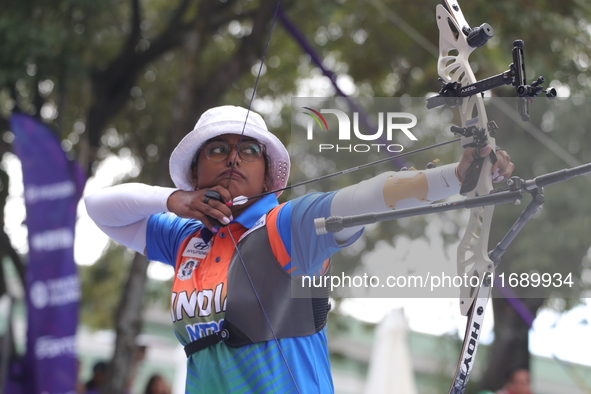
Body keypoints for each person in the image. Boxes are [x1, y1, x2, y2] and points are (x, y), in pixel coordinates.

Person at [85, 105, 514, 393]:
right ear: (195, 171)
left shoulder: (286, 226)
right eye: (218, 149)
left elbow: (368, 197)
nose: (234, 159)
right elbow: (99, 207)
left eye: (248, 151)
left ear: (268, 172)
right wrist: (172, 200)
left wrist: (455, 178)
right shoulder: (187, 238)